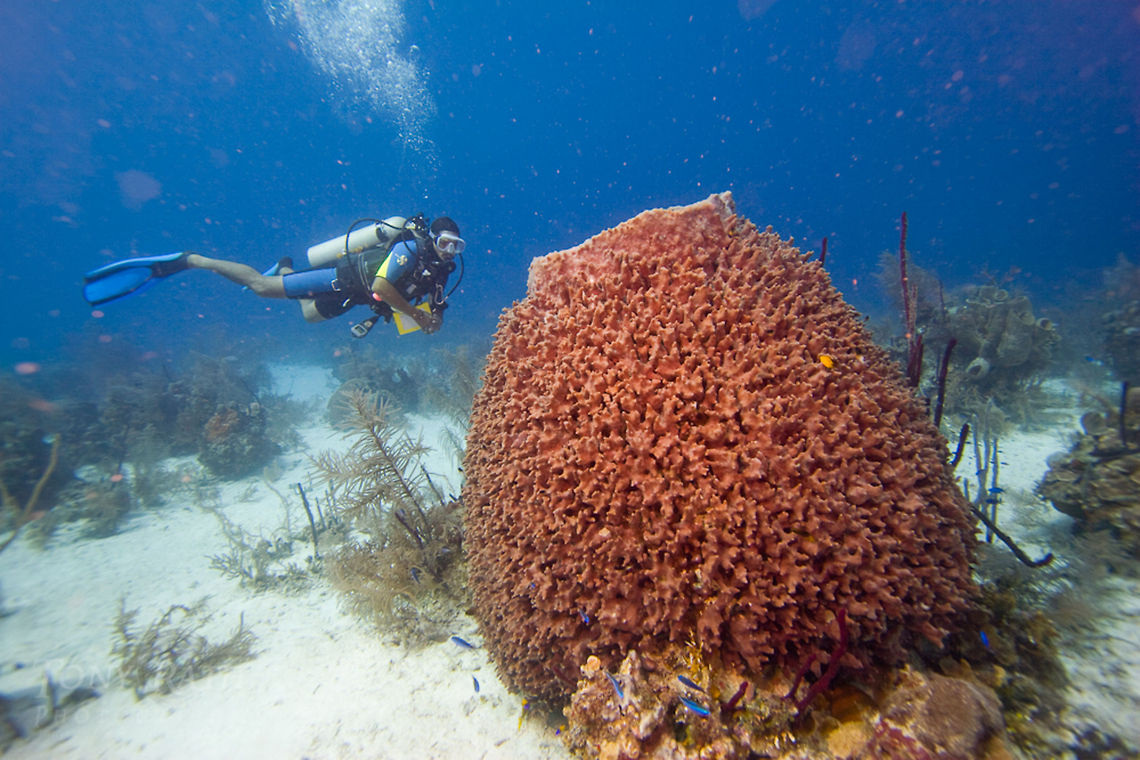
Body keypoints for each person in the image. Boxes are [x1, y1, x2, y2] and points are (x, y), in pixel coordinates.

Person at [82, 214, 465, 337]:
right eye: (446, 243)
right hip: (342, 280)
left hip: (360, 299)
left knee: (310, 315)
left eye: (456, 247)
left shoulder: (441, 271)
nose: (449, 252)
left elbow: (438, 310)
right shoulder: (409, 249)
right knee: (261, 288)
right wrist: (416, 315)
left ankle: (285, 265)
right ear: (432, 237)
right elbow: (382, 285)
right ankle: (190, 260)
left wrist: (434, 320)